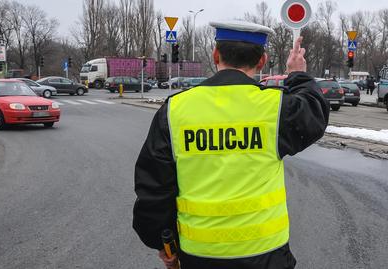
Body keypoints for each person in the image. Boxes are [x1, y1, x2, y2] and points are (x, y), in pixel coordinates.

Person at [133, 20, 330, 269]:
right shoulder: (276, 108)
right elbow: (315, 112)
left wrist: (164, 243)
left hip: (199, 256)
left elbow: (153, 190)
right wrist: (297, 74)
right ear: (262, 61)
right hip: (266, 256)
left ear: (216, 55)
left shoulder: (174, 110)